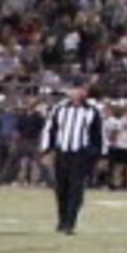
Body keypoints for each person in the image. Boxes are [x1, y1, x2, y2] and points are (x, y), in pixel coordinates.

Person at [42, 77, 103, 235]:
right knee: (61, 188)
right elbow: (50, 130)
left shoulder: (92, 111)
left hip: (80, 154)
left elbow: (98, 135)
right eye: (75, 89)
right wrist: (47, 150)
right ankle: (62, 220)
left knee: (76, 189)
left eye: (81, 89)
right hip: (62, 152)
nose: (78, 92)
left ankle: (70, 222)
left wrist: (98, 154)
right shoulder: (60, 108)